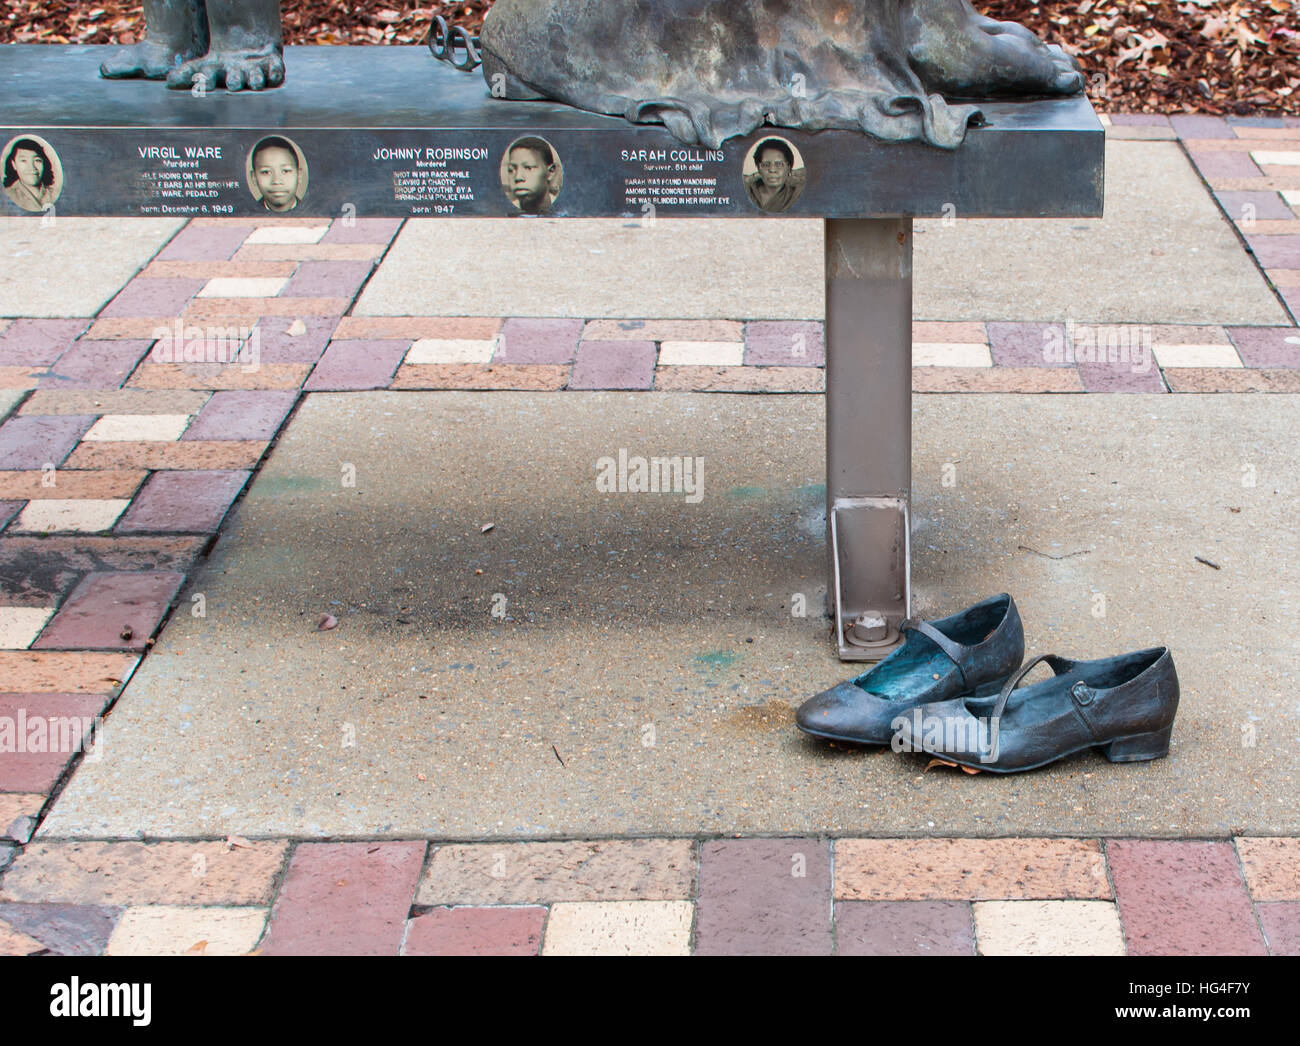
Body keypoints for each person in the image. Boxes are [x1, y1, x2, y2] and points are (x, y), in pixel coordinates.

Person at [745, 138, 802, 213]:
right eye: (766, 165)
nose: (772, 170)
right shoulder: (748, 191)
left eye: (779, 164)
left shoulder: (796, 195)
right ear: (758, 168)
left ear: (788, 167)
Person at [505, 137, 559, 214]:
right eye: (511, 170)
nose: (517, 177)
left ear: (551, 172)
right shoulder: (505, 212)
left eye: (528, 168)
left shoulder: (563, 209)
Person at [3, 138, 58, 213]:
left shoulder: (54, 194)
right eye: (24, 160)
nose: (31, 167)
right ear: (14, 164)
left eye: (37, 160)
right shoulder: (7, 195)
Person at [250, 136, 302, 212]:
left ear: (299, 175)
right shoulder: (244, 215)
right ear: (254, 178)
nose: (277, 181)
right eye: (266, 172)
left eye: (286, 171)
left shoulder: (314, 212)